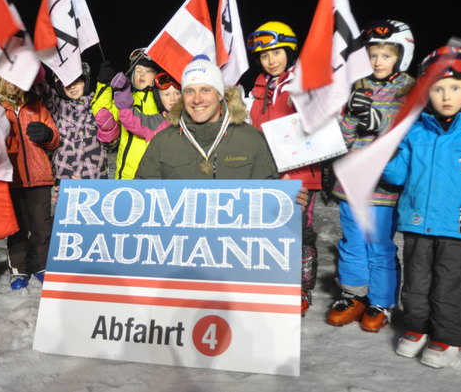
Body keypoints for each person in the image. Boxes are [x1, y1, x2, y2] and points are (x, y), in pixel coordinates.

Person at [383, 45, 461, 368]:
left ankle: (447, 337)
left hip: (459, 226)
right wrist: (388, 149)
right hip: (417, 221)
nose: (445, 96)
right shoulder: (416, 132)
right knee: (415, 283)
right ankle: (416, 329)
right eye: (437, 88)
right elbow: (398, 175)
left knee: (447, 284)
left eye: (455, 88)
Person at [135, 55, 310, 213]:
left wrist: (290, 205)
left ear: (220, 94)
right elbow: (139, 204)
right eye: (189, 91)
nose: (197, 99)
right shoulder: (162, 143)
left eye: (205, 90)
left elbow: (271, 214)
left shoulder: (252, 141)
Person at [327, 20, 416, 332]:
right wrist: (350, 115)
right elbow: (342, 140)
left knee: (378, 246)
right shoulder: (359, 87)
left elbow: (408, 136)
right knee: (352, 243)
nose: (378, 61)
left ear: (401, 56)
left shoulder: (408, 91)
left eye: (386, 55)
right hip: (352, 186)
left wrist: (381, 121)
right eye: (373, 55)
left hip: (383, 189)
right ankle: (354, 295)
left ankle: (381, 301)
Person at [245, 21, 322, 315]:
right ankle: (271, 285)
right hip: (265, 172)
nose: (271, 60)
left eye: (276, 52)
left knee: (298, 231)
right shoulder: (258, 88)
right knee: (267, 231)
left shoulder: (304, 83)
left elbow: (323, 123)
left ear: (290, 52)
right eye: (265, 56)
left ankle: (301, 289)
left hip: (299, 174)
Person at [0, 68, 60, 289]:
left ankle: (41, 265)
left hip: (39, 178)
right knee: (17, 228)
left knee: (42, 226)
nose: (12, 83)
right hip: (12, 178)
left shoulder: (36, 105)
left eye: (16, 79)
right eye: (6, 79)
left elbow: (54, 138)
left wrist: (47, 135)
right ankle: (18, 269)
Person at [37, 62, 110, 203]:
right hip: (65, 176)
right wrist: (35, 67)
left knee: (95, 222)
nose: (73, 87)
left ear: (85, 83)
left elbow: (111, 134)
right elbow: (40, 86)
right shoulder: (56, 104)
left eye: (78, 81)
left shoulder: (97, 103)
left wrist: (105, 83)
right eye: (68, 83)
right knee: (67, 223)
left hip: (94, 177)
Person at [93, 48, 161, 179]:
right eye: (138, 71)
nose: (141, 75)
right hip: (124, 177)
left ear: (156, 76)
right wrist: (103, 84)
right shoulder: (125, 98)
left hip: (151, 177)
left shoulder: (161, 101)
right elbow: (103, 114)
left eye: (148, 72)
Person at [110, 71, 178, 142]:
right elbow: (132, 120)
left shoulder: (188, 119)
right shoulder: (156, 122)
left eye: (177, 93)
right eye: (167, 94)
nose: (172, 98)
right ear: (159, 97)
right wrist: (124, 90)